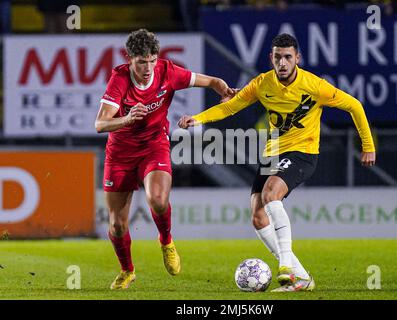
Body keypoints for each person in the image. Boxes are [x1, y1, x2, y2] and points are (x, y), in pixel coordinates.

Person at [178, 33, 376, 292]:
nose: (282, 62)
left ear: (297, 59)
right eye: (278, 57)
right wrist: (198, 118)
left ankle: (285, 266)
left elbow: (355, 106)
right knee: (258, 217)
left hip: (302, 153)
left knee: (271, 195)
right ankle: (303, 278)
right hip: (272, 154)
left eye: (288, 57)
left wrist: (368, 146)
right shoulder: (262, 84)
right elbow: (230, 107)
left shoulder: (314, 85)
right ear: (271, 58)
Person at [95, 29, 234, 289]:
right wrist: (126, 119)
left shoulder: (168, 72)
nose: (148, 68)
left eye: (152, 60)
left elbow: (211, 81)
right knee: (116, 224)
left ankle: (166, 241)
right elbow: (100, 124)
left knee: (157, 200)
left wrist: (222, 89)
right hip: (121, 153)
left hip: (154, 145)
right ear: (130, 59)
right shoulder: (120, 79)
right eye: (141, 62)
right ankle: (127, 270)